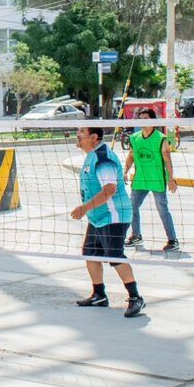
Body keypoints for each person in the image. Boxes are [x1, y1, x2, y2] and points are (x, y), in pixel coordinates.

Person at [70, 126, 145, 318]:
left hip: (114, 215)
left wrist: (84, 208)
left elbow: (109, 189)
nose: (78, 135)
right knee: (90, 253)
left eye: (82, 132)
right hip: (98, 216)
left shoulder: (104, 158)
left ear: (94, 137)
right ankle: (99, 294)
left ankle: (136, 297)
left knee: (115, 256)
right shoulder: (91, 155)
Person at [123, 109, 180, 252]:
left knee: (162, 210)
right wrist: (125, 171)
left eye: (146, 119)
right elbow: (131, 156)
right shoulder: (135, 138)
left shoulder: (160, 138)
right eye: (140, 118)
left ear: (153, 121)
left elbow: (167, 160)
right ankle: (136, 236)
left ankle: (173, 240)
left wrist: (171, 179)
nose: (143, 122)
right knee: (131, 207)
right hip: (140, 180)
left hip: (157, 180)